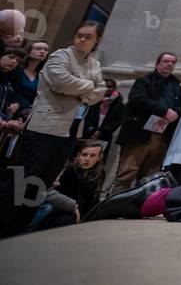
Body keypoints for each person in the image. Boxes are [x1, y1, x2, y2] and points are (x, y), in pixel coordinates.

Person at [19, 21, 107, 214]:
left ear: (97, 40)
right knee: (26, 179)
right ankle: (7, 223)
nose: (82, 39)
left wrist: (80, 88)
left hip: (70, 129)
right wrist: (88, 86)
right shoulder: (61, 55)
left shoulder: (94, 64)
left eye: (88, 37)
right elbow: (61, 83)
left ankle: (23, 223)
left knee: (45, 182)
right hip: (45, 125)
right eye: (79, 35)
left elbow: (99, 92)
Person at [111, 52, 181, 194]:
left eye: (172, 62)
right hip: (139, 133)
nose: (169, 64)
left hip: (161, 134)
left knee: (150, 176)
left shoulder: (176, 86)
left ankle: (142, 203)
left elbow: (179, 107)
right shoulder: (144, 81)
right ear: (157, 63)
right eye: (166, 61)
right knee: (127, 172)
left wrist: (175, 114)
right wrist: (164, 111)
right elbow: (137, 99)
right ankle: (115, 201)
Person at [82, 78, 127, 144]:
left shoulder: (120, 105)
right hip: (87, 133)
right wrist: (92, 130)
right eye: (104, 86)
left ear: (114, 88)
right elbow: (85, 117)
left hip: (105, 136)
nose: (106, 89)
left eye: (109, 87)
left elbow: (116, 122)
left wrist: (101, 132)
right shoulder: (91, 101)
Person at [13, 40, 49, 116]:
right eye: (38, 49)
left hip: (26, 112)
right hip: (11, 106)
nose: (42, 51)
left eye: (46, 50)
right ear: (29, 51)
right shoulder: (16, 69)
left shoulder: (42, 75)